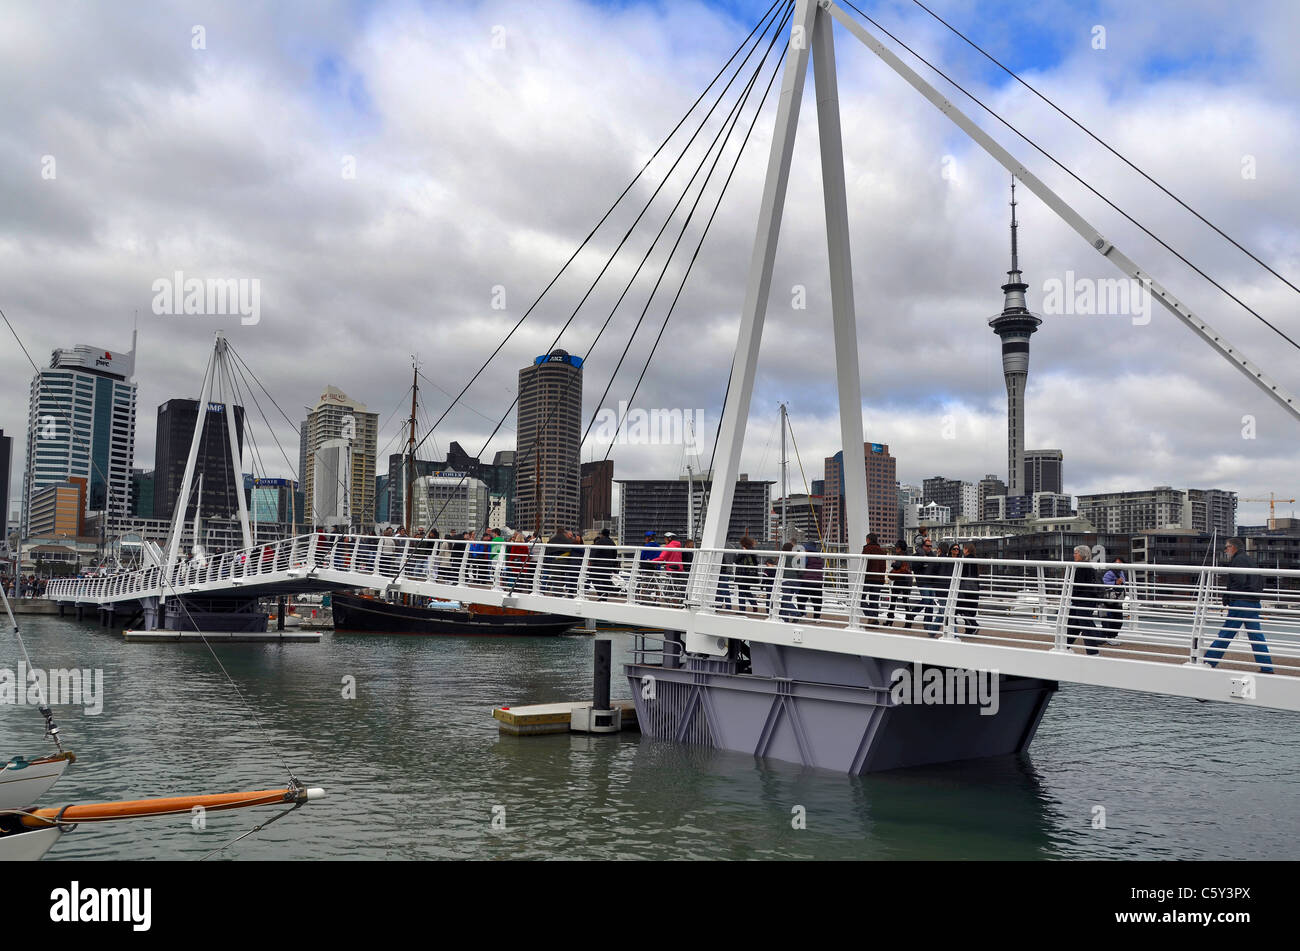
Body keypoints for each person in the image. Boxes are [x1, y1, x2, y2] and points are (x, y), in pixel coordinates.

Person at [1204, 538, 1273, 674]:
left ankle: (1209, 661)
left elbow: (1239, 581)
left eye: (1227, 547)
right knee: (1256, 636)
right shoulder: (1250, 560)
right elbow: (1259, 582)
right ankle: (1267, 666)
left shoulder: (1238, 560)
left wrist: (1229, 596)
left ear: (1233, 547)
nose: (1226, 550)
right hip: (1253, 603)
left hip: (1241, 602)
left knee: (1227, 632)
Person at [1066, 545, 1105, 656]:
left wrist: (1072, 596)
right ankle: (1065, 646)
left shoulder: (1082, 568)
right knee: (1075, 624)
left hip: (1082, 600)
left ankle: (1093, 652)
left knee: (1084, 625)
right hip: (1085, 600)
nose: (1074, 555)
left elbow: (1078, 587)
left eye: (1076, 553)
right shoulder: (1088, 567)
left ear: (1082, 554)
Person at [911, 537, 940, 633]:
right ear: (922, 546)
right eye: (927, 546)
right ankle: (912, 614)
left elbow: (936, 567)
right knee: (927, 600)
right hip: (922, 582)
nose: (929, 548)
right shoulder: (916, 556)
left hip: (931, 582)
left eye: (931, 546)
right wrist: (923, 562)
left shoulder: (932, 556)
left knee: (930, 602)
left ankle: (927, 623)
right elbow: (913, 567)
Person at [861, 533, 887, 624]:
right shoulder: (881, 550)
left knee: (860, 598)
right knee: (874, 600)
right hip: (879, 579)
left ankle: (871, 616)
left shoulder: (867, 549)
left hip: (868, 577)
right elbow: (883, 566)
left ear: (868, 540)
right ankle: (874, 621)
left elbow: (864, 564)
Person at [955, 543, 980, 637]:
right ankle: (969, 630)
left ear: (966, 549)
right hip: (974, 588)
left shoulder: (965, 560)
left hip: (966, 588)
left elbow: (963, 574)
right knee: (969, 609)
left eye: (964, 549)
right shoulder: (975, 559)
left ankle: (973, 626)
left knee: (962, 608)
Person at [1100, 555, 1127, 641]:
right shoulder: (1109, 573)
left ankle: (1112, 636)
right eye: (1116, 563)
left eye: (1120, 563)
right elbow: (1104, 583)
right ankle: (1109, 637)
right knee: (1108, 618)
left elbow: (1122, 584)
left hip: (1118, 599)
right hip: (1108, 599)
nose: (1118, 565)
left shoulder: (1121, 573)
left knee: (1118, 619)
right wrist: (1115, 582)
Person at [885, 542, 913, 625]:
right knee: (906, 601)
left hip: (900, 580)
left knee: (893, 600)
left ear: (899, 548)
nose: (896, 550)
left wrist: (893, 563)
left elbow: (897, 565)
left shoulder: (900, 556)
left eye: (896, 548)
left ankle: (889, 620)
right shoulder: (909, 555)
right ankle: (908, 622)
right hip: (908, 580)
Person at [655, 532, 685, 605]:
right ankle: (676, 600)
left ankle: (672, 601)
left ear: (669, 539)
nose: (665, 541)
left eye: (665, 539)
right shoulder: (678, 546)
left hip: (672, 569)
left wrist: (652, 561)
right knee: (674, 584)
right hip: (680, 568)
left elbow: (662, 558)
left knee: (668, 589)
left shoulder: (669, 547)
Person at [589, 528, 619, 600]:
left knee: (594, 578)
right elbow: (615, 555)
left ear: (602, 534)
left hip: (598, 565)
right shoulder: (612, 543)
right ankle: (604, 595)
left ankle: (601, 594)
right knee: (605, 580)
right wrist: (614, 565)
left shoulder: (599, 542)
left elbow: (594, 553)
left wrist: (592, 562)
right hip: (608, 566)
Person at [734, 536, 760, 613]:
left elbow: (736, 561)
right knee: (746, 590)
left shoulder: (744, 550)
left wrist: (742, 553)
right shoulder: (753, 550)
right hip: (750, 575)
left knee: (741, 592)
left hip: (742, 574)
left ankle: (742, 610)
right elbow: (756, 562)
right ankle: (754, 604)